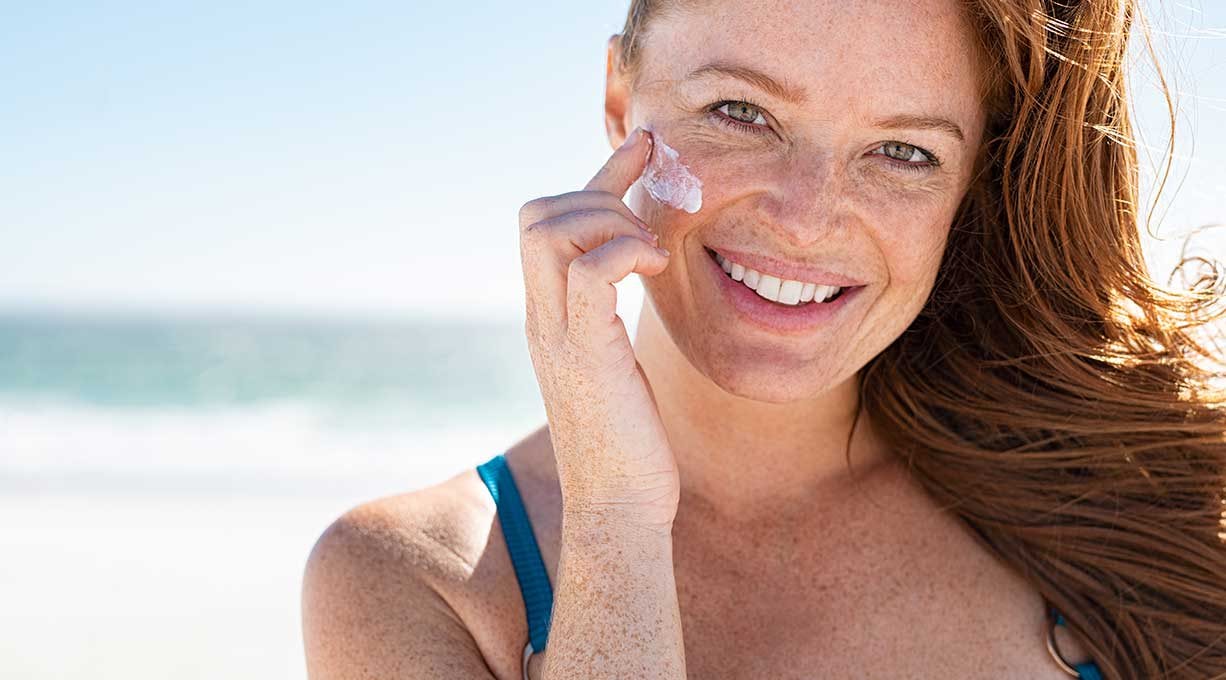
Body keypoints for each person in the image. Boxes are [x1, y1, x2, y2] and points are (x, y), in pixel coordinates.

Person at [301, 1, 1226, 678]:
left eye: (904, 152)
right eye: (742, 113)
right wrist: (616, 522)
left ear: (970, 186)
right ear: (622, 99)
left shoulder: (1149, 510)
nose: (805, 218)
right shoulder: (414, 582)